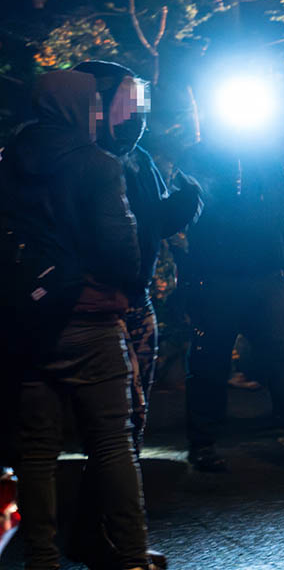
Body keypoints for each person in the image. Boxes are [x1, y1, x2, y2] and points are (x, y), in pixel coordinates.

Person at [1, 71, 156, 570]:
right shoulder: (97, 166)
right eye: (93, 106)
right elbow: (121, 254)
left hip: (26, 321)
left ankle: (40, 559)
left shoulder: (8, 163)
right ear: (77, 109)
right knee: (112, 441)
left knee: (36, 451)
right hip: (88, 318)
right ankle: (131, 555)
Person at [179, 103, 284, 472]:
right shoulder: (202, 159)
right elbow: (187, 215)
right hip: (218, 276)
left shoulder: (272, 163)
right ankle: (202, 442)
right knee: (210, 360)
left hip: (267, 276)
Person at [74, 62, 204, 447]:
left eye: (139, 104)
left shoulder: (140, 159)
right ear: (98, 102)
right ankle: (107, 497)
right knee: (110, 416)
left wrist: (185, 203)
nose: (136, 114)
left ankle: (119, 489)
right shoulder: (78, 159)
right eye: (127, 102)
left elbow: (154, 222)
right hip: (92, 302)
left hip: (137, 298)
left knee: (136, 408)